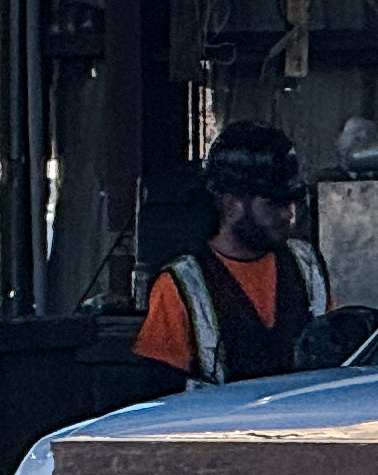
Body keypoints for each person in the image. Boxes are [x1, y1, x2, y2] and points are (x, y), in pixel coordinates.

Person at [136, 122, 335, 387]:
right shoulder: (182, 285)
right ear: (231, 205)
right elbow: (160, 393)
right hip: (221, 427)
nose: (287, 214)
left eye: (289, 203)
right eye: (273, 204)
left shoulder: (305, 264)